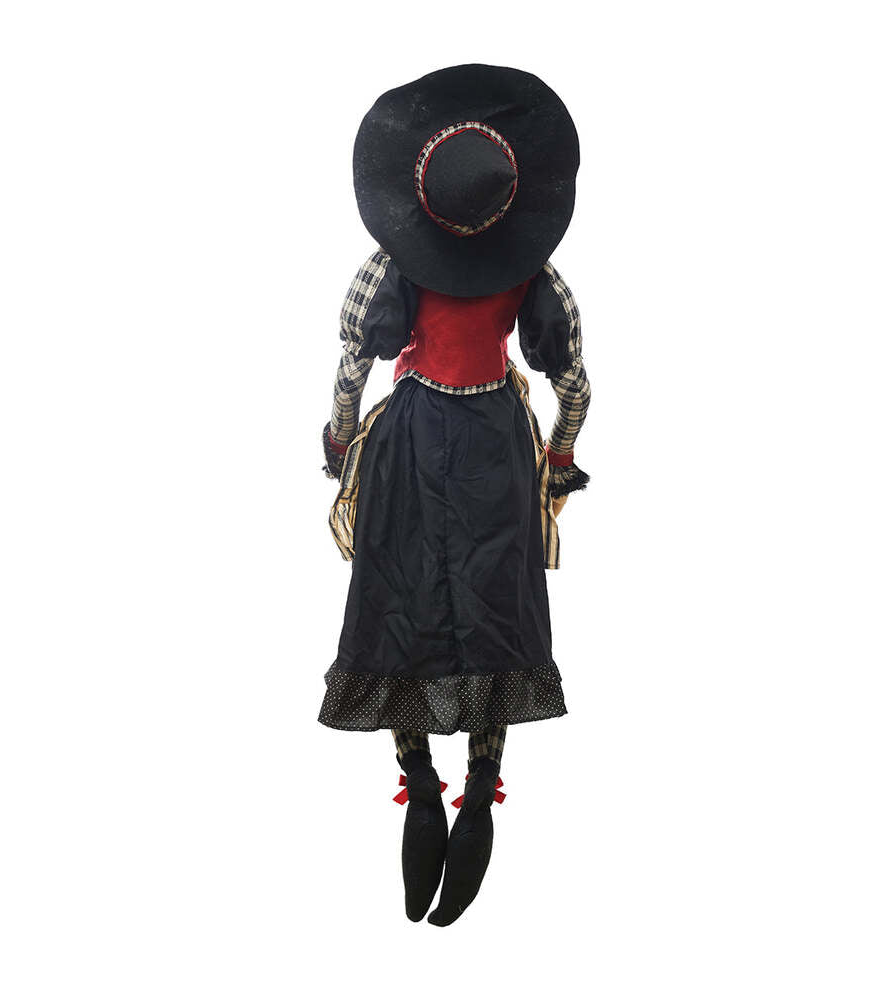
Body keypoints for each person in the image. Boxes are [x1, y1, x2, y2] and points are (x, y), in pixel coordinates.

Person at [318, 64, 591, 925]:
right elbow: (574, 382)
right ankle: (474, 794)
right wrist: (558, 458)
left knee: (398, 599)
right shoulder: (535, 273)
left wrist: (338, 440)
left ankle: (424, 790)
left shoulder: (392, 265)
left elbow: (353, 365)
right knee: (493, 605)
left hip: (411, 439)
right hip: (496, 443)